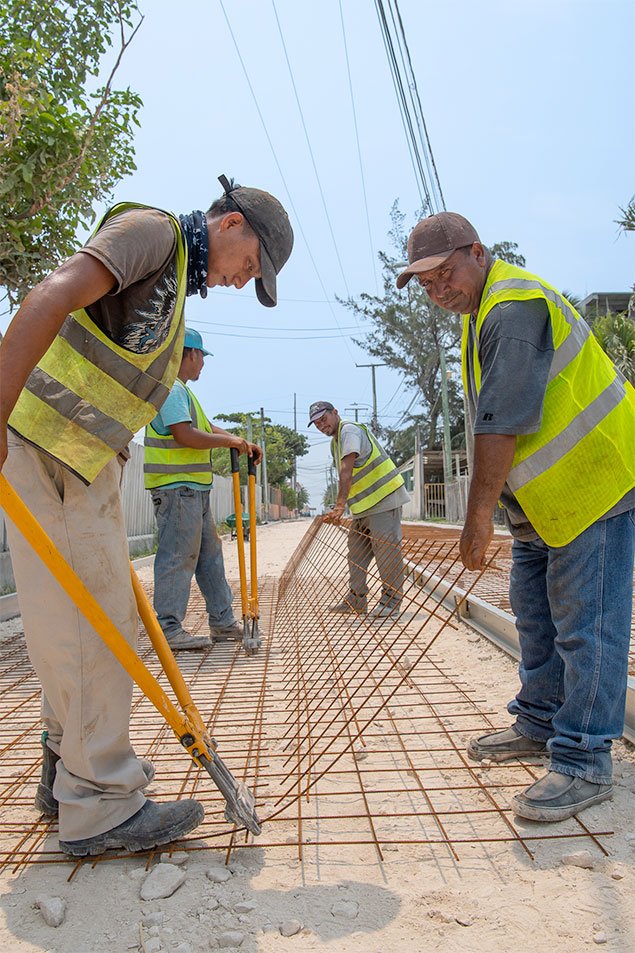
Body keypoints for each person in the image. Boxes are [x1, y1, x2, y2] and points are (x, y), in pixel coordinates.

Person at [0, 175, 293, 855]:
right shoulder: (154, 232)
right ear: (230, 225)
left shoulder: (174, 291)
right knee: (91, 633)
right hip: (52, 455)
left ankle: (63, 768)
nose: (237, 279)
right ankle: (100, 805)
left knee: (79, 623)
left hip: (80, 461)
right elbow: (50, 296)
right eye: (246, 266)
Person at [397, 211, 635, 822]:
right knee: (535, 612)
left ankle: (584, 757)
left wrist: (478, 520)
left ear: (477, 251)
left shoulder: (512, 307)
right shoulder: (479, 314)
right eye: (425, 283)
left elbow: (501, 423)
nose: (437, 289)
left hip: (595, 482)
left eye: (444, 273)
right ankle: (539, 721)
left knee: (588, 624)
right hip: (546, 499)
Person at [144, 326, 261, 650]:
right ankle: (168, 629)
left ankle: (222, 622)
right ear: (191, 354)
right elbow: (186, 435)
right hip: (177, 489)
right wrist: (231, 441)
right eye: (202, 357)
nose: (203, 365)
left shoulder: (182, 391)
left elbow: (206, 428)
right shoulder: (170, 388)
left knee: (209, 556)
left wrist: (242, 443)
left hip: (194, 490)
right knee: (179, 557)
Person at [310, 401, 409, 620]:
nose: (321, 425)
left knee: (386, 551)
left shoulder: (350, 431)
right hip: (364, 507)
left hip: (384, 498)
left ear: (335, 413)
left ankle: (391, 602)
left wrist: (339, 506)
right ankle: (356, 600)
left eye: (323, 419)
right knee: (356, 554)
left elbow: (347, 470)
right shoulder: (335, 442)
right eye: (316, 423)